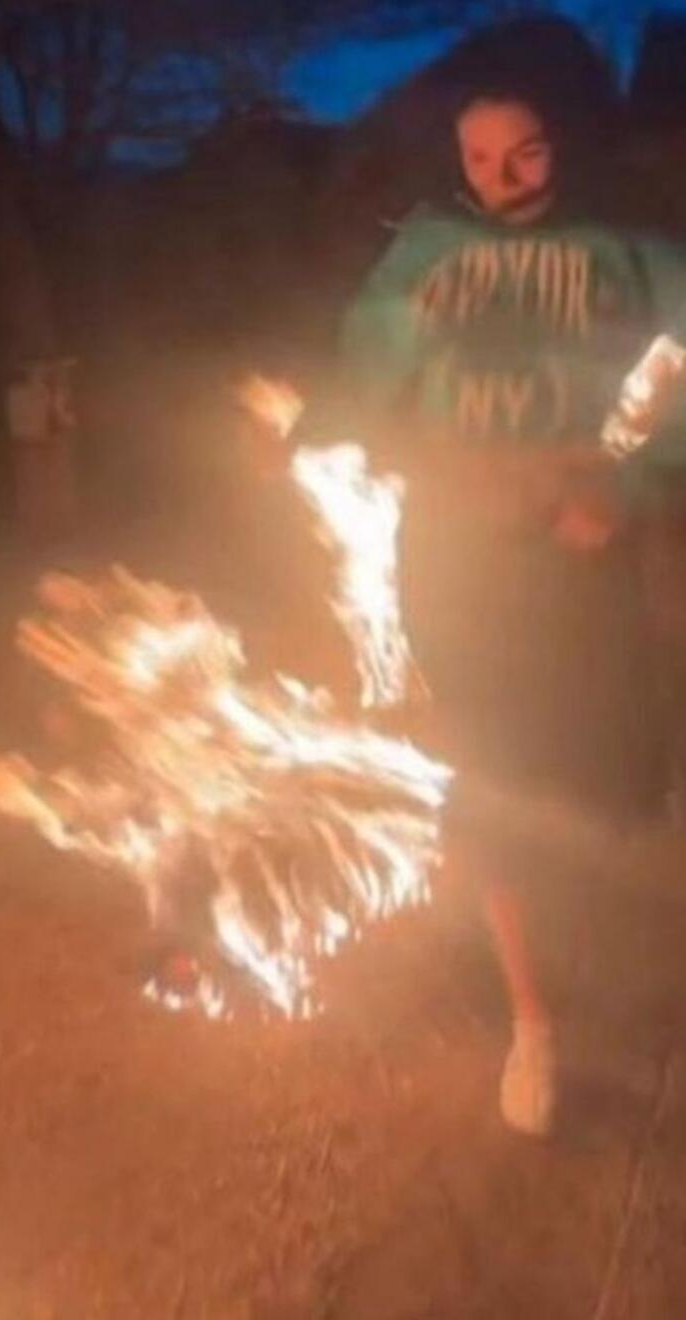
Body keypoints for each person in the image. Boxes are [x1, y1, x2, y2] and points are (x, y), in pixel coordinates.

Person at [336, 70, 686, 1137]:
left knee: (614, 777)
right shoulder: (424, 255)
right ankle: (534, 1026)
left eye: (524, 152)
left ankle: (623, 961)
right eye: (479, 159)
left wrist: (631, 488)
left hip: (584, 553)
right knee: (495, 778)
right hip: (464, 555)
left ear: (562, 142)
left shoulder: (631, 253)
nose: (502, 179)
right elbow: (361, 381)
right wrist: (373, 447)